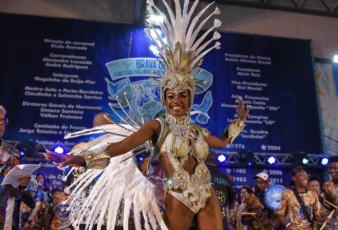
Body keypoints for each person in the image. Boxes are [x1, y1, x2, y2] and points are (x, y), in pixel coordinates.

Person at [44, 1, 251, 229]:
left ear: (190, 99)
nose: (176, 101)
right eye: (171, 95)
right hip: (179, 194)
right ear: (164, 98)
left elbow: (221, 143)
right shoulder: (157, 126)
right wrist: (82, 159)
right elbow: (121, 147)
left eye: (183, 95)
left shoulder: (197, 131)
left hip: (206, 190)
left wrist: (239, 122)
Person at [0, 105, 33, 230]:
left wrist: (22, 184)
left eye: (3, 120)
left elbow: (14, 192)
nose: (1, 124)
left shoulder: (12, 152)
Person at [204, 151, 236, 230]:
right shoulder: (224, 178)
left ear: (203, 160)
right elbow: (233, 200)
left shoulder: (195, 176)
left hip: (200, 222)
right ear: (217, 162)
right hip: (220, 223)